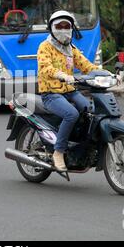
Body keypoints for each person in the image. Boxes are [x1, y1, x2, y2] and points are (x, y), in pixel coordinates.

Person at [37, 10, 98, 172]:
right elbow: (45, 67)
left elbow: (86, 66)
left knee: (91, 110)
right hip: (51, 93)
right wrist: (61, 75)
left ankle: (81, 145)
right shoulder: (45, 47)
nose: (64, 29)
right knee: (72, 114)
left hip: (70, 91)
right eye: (59, 26)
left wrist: (106, 74)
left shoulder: (71, 48)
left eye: (67, 26)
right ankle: (59, 151)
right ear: (52, 28)